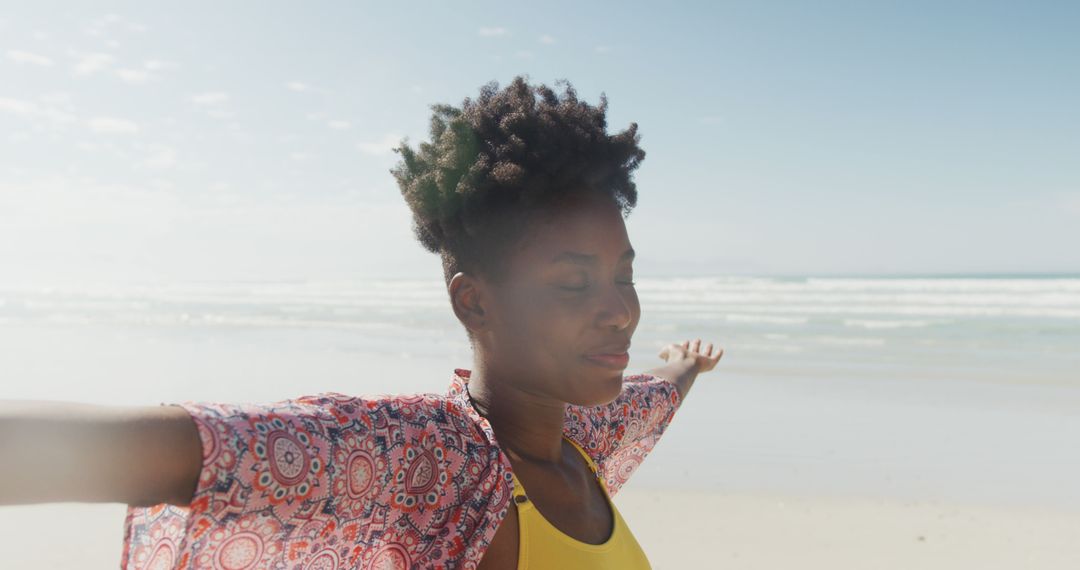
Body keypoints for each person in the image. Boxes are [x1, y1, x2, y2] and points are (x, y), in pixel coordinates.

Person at [0, 76, 723, 569]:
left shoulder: (585, 438)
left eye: (624, 274)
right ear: (474, 301)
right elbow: (202, 447)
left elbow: (655, 393)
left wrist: (686, 362)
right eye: (573, 282)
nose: (621, 309)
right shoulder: (426, 464)